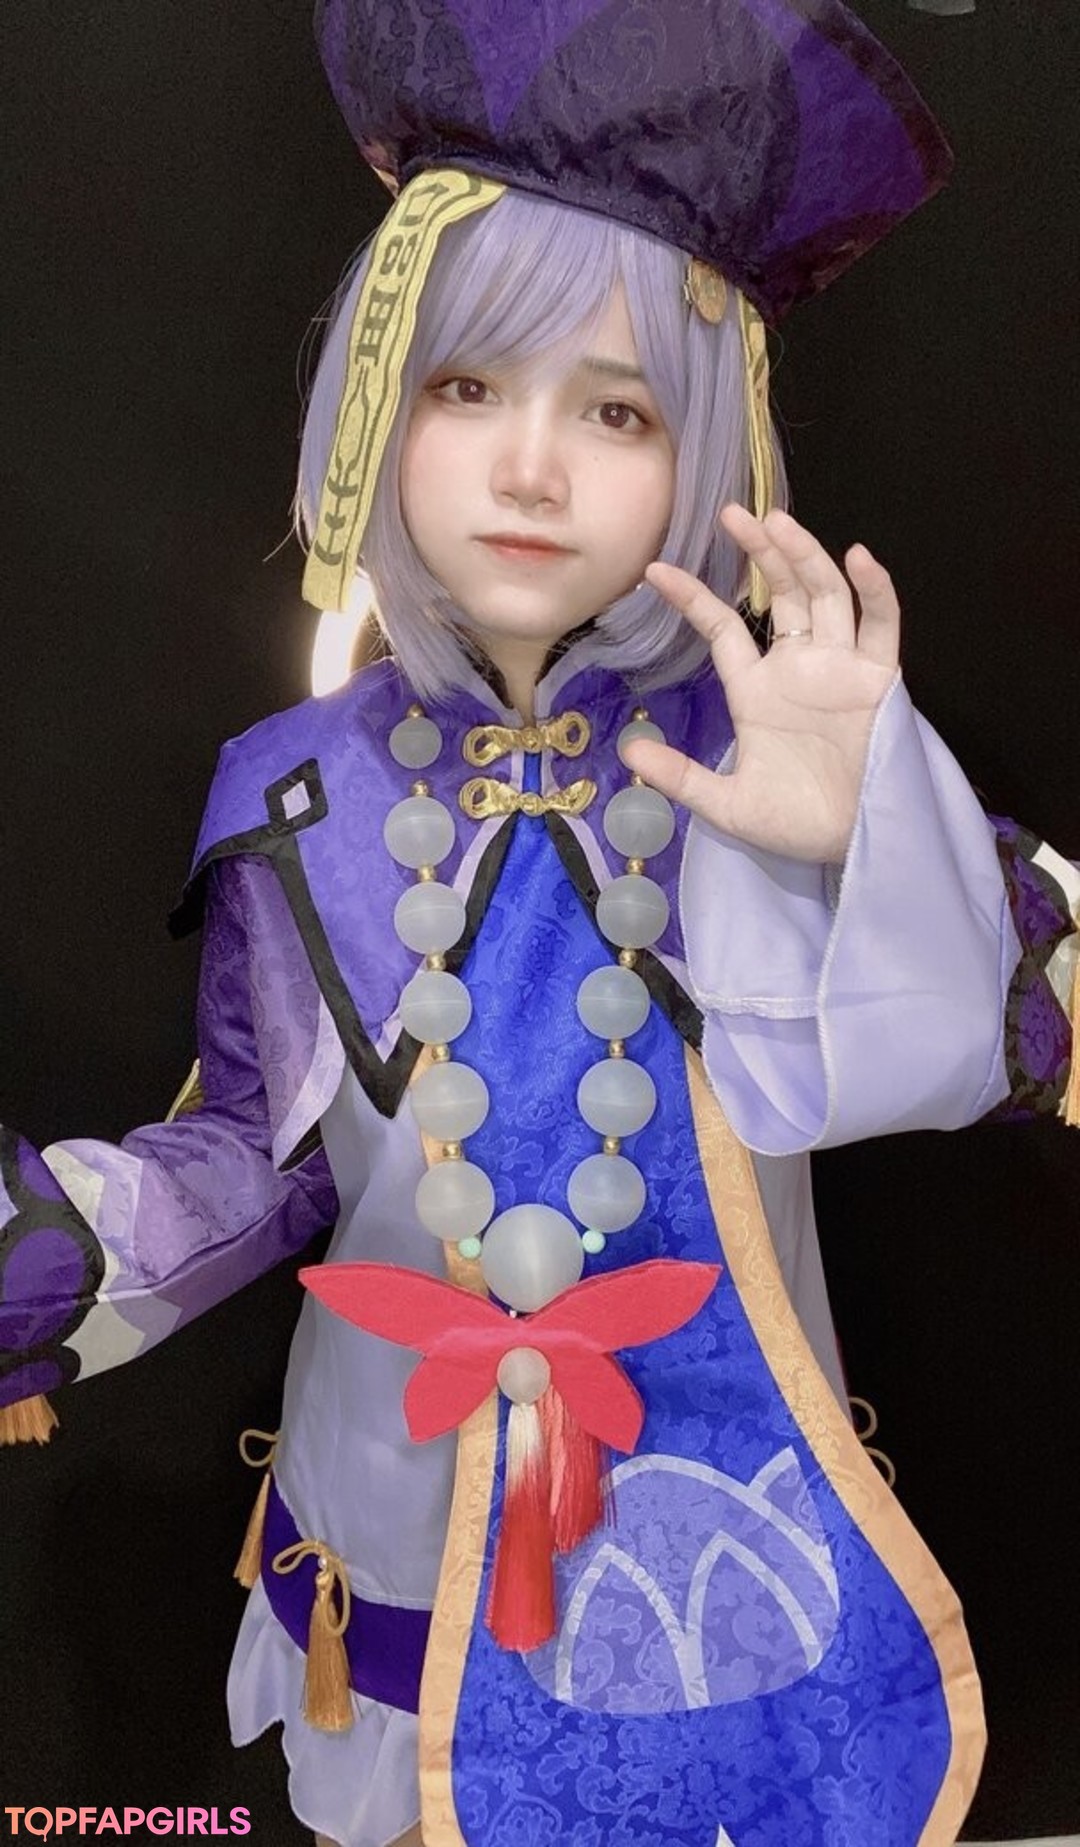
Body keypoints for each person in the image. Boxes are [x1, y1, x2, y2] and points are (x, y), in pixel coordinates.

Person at [2, 3, 1076, 1845]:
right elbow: (258, 1162)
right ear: (376, 403)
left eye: (619, 409)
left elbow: (1015, 1027)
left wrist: (872, 846)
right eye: (468, 387)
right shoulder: (297, 792)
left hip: (719, 1546)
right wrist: (54, 1248)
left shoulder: (779, 748)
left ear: (709, 449)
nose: (529, 469)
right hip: (389, 1533)